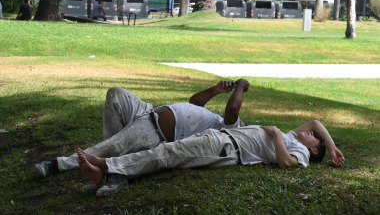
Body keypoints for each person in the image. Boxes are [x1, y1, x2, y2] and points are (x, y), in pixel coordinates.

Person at [35, 79, 250, 195]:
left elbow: (232, 108)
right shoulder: (213, 118)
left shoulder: (229, 128)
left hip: (153, 132)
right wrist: (216, 89)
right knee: (115, 93)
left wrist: (241, 85)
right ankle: (115, 166)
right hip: (144, 113)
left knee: (105, 148)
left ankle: (56, 165)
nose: (243, 121)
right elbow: (194, 100)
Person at [76, 120, 344, 191]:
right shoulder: (293, 136)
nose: (308, 132)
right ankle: (108, 172)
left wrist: (275, 134)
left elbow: (287, 163)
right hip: (219, 137)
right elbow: (317, 122)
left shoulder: (298, 150)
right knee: (165, 151)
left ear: (313, 149)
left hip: (225, 150)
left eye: (313, 137)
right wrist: (332, 149)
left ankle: (107, 165)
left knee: (168, 153)